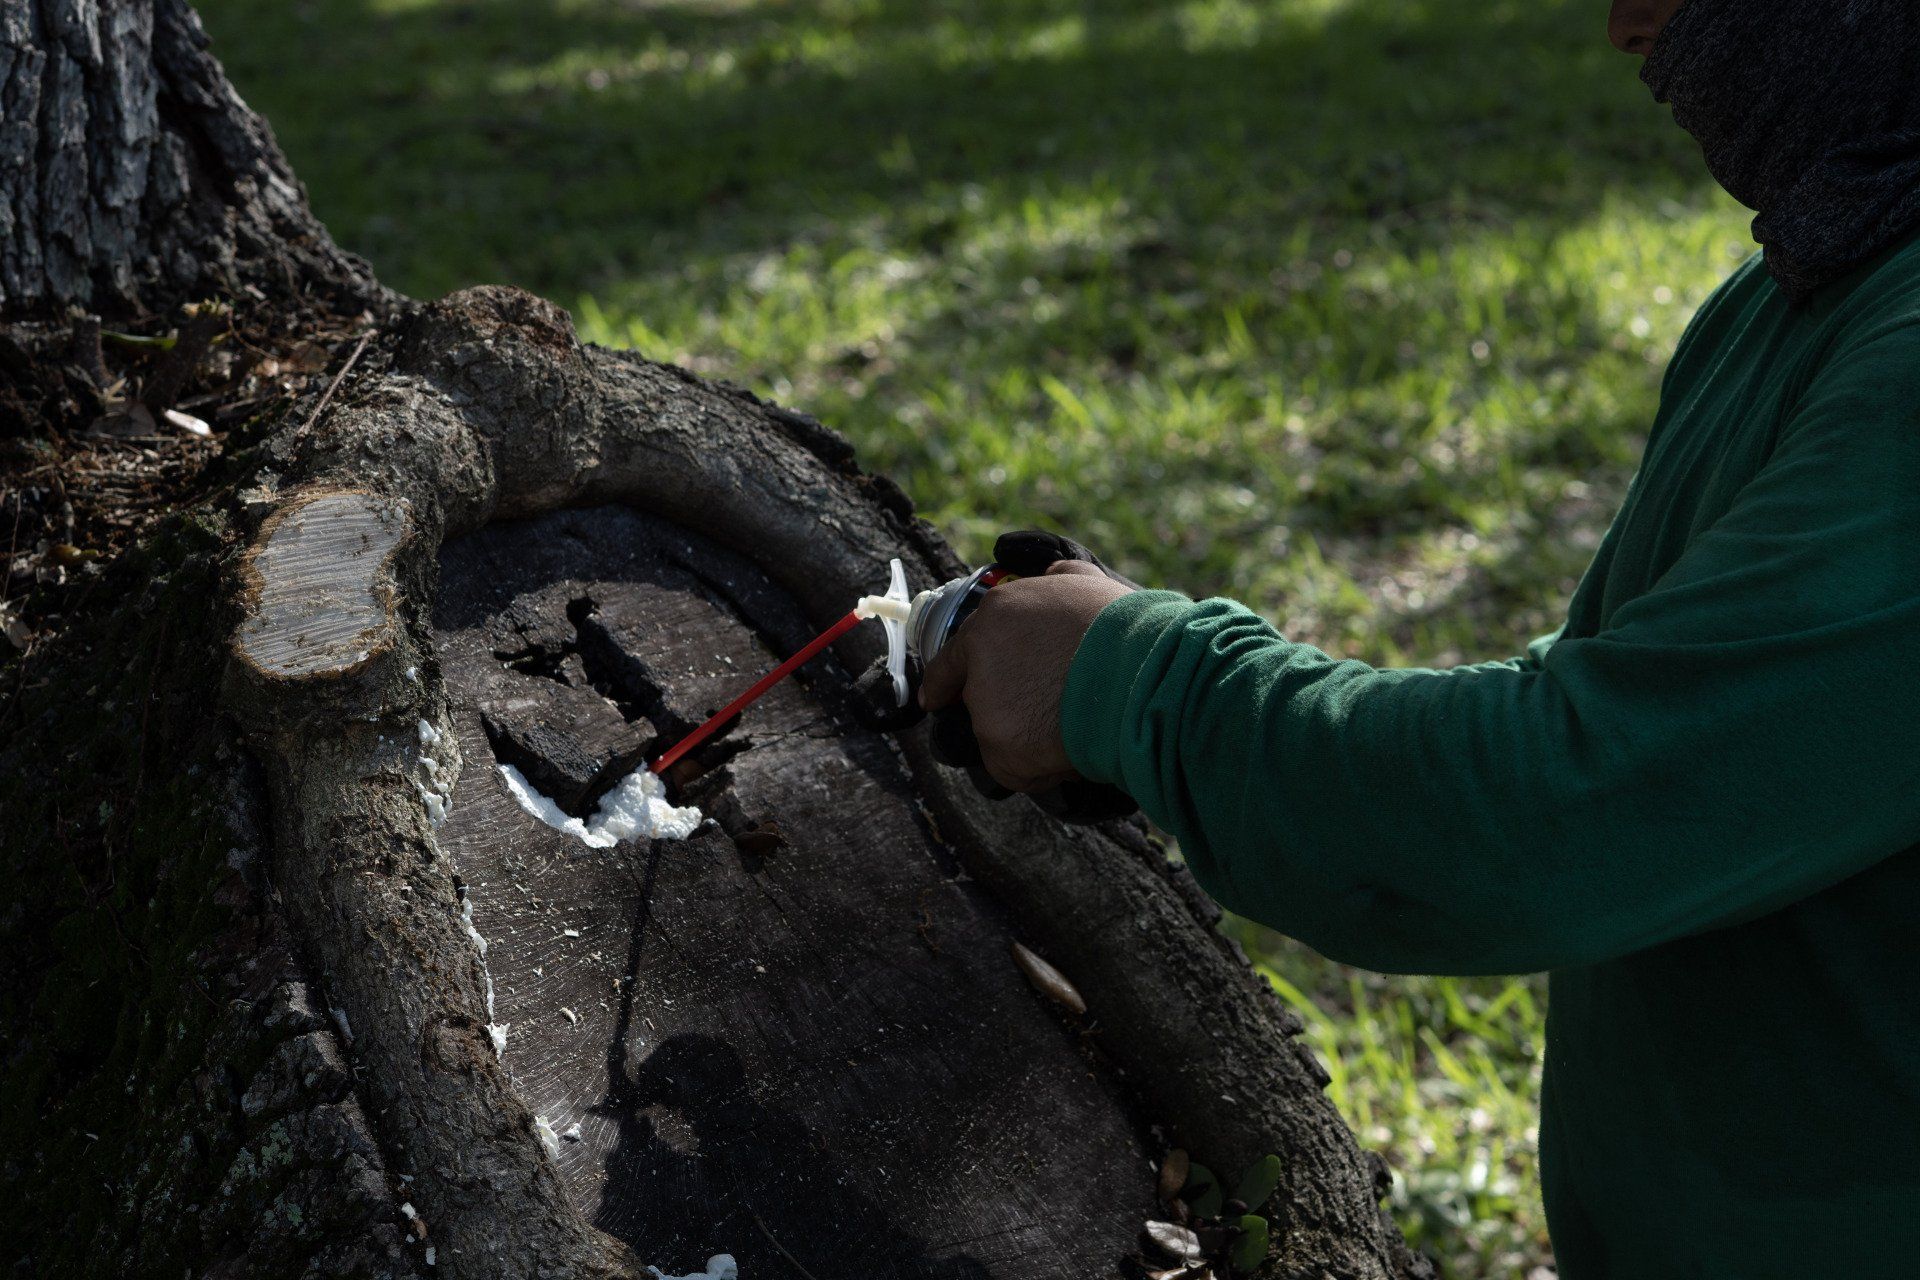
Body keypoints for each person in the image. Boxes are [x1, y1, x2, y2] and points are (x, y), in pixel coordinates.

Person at [918, 1, 1920, 1275]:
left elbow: (1562, 809)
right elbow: (1636, 704)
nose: (1626, 29)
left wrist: (1139, 680)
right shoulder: (1808, 293)